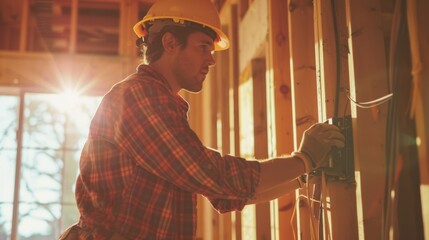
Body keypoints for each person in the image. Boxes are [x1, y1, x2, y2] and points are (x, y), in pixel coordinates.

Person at [59, 0, 345, 239]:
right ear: (170, 42)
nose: (211, 59)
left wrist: (303, 175)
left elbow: (225, 194)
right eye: (203, 47)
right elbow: (209, 174)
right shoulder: (139, 96)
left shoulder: (163, 105)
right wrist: (303, 159)